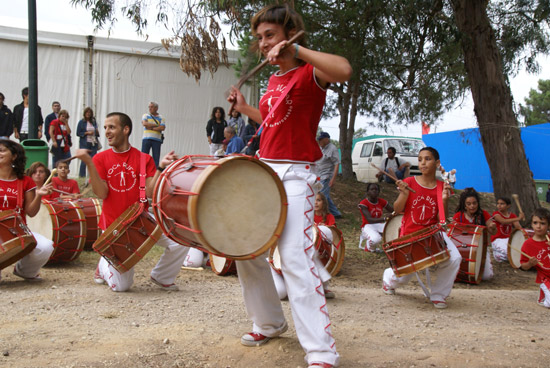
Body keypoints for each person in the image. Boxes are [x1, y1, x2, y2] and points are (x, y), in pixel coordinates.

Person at [227, 4, 352, 367]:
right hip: (265, 172)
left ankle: (321, 350)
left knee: (295, 256)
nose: (264, 43)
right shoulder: (274, 80)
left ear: (290, 33)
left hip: (297, 174)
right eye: (260, 38)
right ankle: (268, 322)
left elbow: (344, 69)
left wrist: (296, 51)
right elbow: (272, 120)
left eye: (270, 35)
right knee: (246, 250)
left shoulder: (312, 72)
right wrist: (246, 106)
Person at [74, 112, 191, 292]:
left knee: (181, 239)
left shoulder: (144, 159)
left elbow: (150, 192)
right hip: (114, 227)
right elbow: (102, 193)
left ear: (126, 129)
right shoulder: (100, 159)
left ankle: (162, 276)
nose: (107, 132)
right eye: (105, 128)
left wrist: (160, 168)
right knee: (122, 287)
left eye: (111, 127)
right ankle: (103, 267)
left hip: (141, 221)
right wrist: (89, 164)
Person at [382, 147, 461, 309]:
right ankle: (388, 278)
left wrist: (445, 200)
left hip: (433, 233)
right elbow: (397, 210)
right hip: (410, 235)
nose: (423, 163)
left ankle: (439, 294)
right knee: (404, 276)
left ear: (437, 163)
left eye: (427, 159)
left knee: (455, 258)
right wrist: (404, 194)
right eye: (420, 159)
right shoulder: (410, 182)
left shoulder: (441, 186)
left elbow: (442, 218)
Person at [0, 139, 54, 282]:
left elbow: (31, 212)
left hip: (17, 232)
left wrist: (39, 195)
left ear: (14, 156)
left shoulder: (24, 181)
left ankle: (25, 271)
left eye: (2, 150)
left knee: (45, 246)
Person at [271, 193, 337, 301]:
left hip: (311, 247)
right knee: (281, 293)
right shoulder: (296, 219)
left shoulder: (326, 217)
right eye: (314, 200)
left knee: (313, 250)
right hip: (281, 261)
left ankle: (321, 286)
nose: (315, 203)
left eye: (319, 200)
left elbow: (332, 231)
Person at [452, 188, 497, 280]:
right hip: (462, 250)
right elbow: (453, 234)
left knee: (487, 277)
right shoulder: (458, 216)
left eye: (474, 203)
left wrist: (493, 227)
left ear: (478, 203)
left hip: (481, 249)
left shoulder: (483, 214)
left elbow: (493, 231)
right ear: (464, 205)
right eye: (469, 204)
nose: (472, 206)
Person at [519, 207, 550, 308]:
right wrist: (530, 264)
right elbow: (523, 266)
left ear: (548, 225)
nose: (539, 226)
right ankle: (543, 295)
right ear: (531, 224)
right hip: (545, 278)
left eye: (543, 223)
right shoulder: (528, 244)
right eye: (535, 223)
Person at [358, 182, 393, 252]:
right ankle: (368, 246)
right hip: (367, 225)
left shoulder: (381, 201)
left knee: (393, 230)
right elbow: (369, 220)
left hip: (378, 224)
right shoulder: (363, 203)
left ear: (378, 192)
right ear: (368, 192)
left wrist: (392, 214)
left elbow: (393, 211)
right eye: (372, 189)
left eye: (376, 189)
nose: (374, 191)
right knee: (376, 239)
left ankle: (391, 246)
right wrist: (385, 218)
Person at [316, 132, 342, 219]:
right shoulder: (320, 148)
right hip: (319, 175)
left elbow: (336, 164)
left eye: (321, 139)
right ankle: (336, 213)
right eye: (319, 139)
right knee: (324, 195)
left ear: (326, 139)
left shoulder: (332, 149)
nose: (319, 141)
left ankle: (325, 214)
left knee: (323, 195)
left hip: (327, 176)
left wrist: (333, 179)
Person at [491, 197, 524, 262]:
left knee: (519, 251)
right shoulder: (496, 214)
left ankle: (498, 255)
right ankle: (500, 255)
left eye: (502, 204)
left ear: (508, 206)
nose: (499, 205)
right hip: (497, 240)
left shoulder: (512, 215)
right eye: (498, 203)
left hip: (508, 239)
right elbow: (503, 221)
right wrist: (518, 218)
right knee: (511, 252)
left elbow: (518, 227)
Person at [76, 107, 100, 178]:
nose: (88, 114)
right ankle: (82, 176)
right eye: (87, 112)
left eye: (89, 113)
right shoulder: (81, 122)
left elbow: (97, 133)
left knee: (93, 160)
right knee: (84, 160)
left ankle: (92, 176)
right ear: (84, 113)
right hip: (84, 143)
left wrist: (95, 132)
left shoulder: (94, 122)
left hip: (93, 143)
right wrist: (86, 133)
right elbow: (78, 133)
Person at [141, 102, 165, 167]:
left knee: (156, 158)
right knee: (144, 157)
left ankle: (154, 174)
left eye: (151, 107)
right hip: (146, 139)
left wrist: (150, 128)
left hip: (157, 140)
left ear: (156, 108)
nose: (150, 108)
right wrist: (157, 125)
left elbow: (162, 127)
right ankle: (143, 172)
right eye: (149, 107)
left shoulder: (161, 117)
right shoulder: (145, 115)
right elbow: (145, 124)